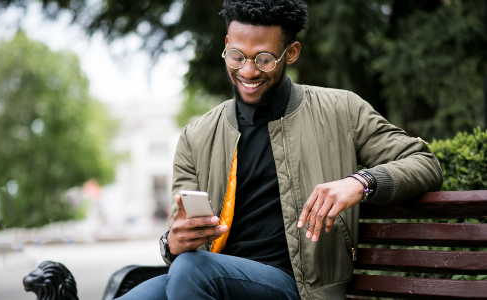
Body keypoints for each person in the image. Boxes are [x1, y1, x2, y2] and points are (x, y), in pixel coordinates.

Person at [118, 0, 443, 299]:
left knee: (192, 271)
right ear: (226, 47)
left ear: (291, 52)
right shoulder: (196, 136)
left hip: (297, 288)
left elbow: (425, 163)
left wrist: (361, 182)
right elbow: (182, 236)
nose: (247, 71)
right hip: (209, 277)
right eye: (236, 56)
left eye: (264, 59)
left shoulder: (342, 110)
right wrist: (171, 244)